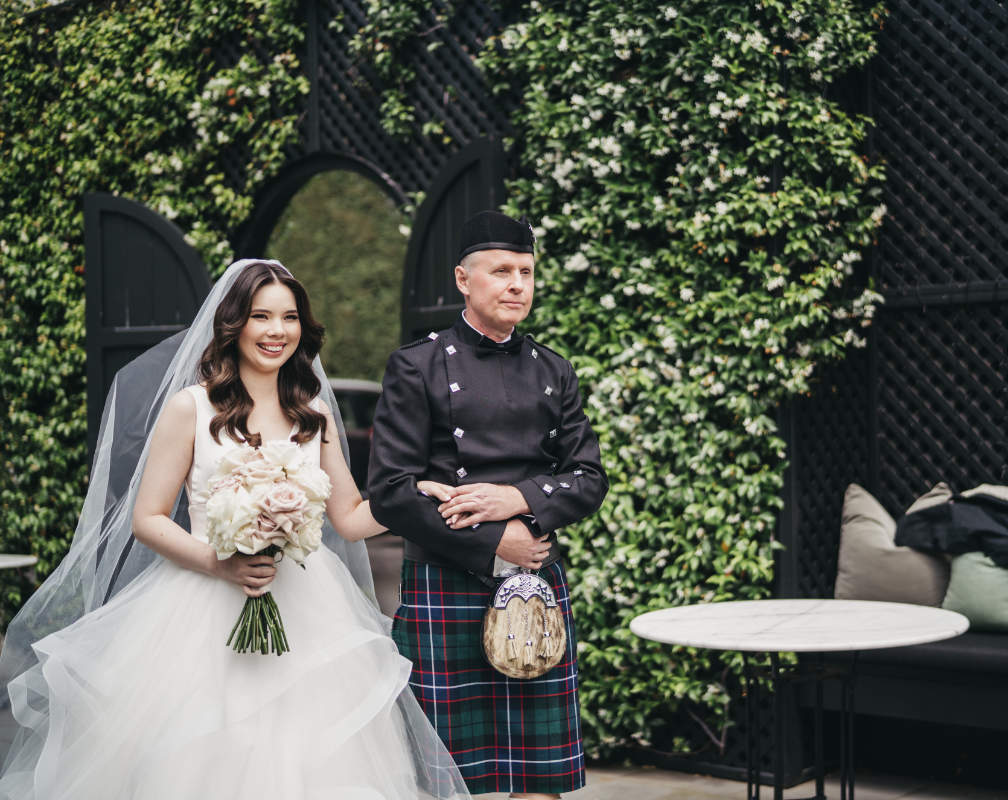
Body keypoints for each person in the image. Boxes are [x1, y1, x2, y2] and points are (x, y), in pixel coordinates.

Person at [0, 260, 468, 799]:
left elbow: (349, 518)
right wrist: (220, 563)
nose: (277, 331)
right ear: (232, 324)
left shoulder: (311, 410)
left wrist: (409, 498)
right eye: (260, 316)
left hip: (310, 608)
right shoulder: (191, 408)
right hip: (202, 606)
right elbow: (147, 518)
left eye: (289, 317)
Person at [367, 211, 608, 799]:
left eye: (526, 271)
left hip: (533, 581)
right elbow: (391, 492)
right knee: (446, 773)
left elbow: (589, 477)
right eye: (501, 271)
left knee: (538, 772)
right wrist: (495, 540)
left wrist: (516, 498)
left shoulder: (554, 370)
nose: (517, 284)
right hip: (445, 579)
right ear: (463, 279)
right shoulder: (416, 364)